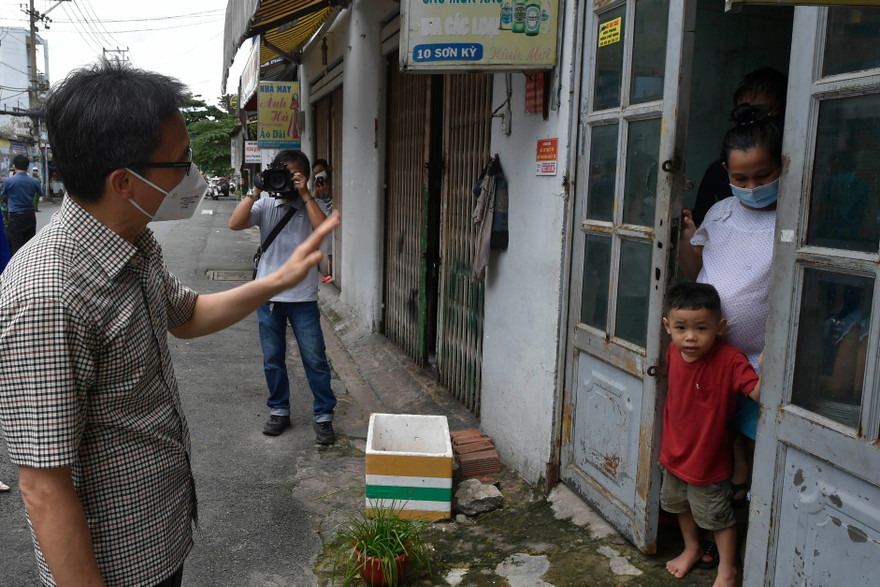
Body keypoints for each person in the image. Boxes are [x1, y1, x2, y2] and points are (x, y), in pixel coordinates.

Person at [0, 61, 338, 586]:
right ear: (124, 181)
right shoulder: (47, 295)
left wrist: (277, 281)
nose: (193, 175)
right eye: (180, 162)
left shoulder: (135, 241)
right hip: (114, 566)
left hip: (161, 532)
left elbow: (187, 314)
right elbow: (43, 487)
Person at [679, 106, 782, 555]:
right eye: (741, 179)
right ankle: (716, 514)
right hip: (710, 354)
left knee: (762, 433)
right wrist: (686, 240)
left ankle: (762, 518)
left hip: (761, 354)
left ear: (783, 166)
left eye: (763, 176)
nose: (752, 188)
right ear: (726, 172)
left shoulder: (793, 218)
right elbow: (696, 270)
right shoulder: (719, 213)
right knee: (715, 434)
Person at [230, 150, 338, 444]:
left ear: (303, 176)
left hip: (303, 297)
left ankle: (324, 415)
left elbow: (322, 228)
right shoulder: (266, 204)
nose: (287, 182)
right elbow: (235, 223)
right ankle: (279, 410)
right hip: (269, 297)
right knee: (273, 359)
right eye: (282, 174)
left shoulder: (310, 206)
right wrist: (255, 188)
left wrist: (306, 194)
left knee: (314, 359)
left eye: (293, 176)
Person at [660, 282, 762, 586]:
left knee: (719, 518)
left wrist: (770, 369)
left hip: (709, 462)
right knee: (681, 507)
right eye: (681, 327)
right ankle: (691, 548)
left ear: (719, 327)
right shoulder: (673, 352)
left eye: (701, 328)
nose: (690, 337)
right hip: (674, 454)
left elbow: (756, 393)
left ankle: (727, 569)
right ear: (668, 327)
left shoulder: (730, 359)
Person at [691, 67, 787, 227]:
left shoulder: (802, 172)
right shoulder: (718, 173)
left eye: (759, 113)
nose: (752, 187)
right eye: (740, 178)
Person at [0, 154, 42, 255]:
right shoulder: (35, 181)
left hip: (15, 217)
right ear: (28, 167)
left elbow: (4, 195)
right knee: (29, 245)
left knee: (16, 246)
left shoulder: (9, 181)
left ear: (14, 166)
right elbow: (40, 193)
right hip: (30, 216)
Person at [312, 158, 334, 283]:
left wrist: (327, 191)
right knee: (329, 249)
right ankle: (331, 274)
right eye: (316, 173)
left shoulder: (334, 181)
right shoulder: (318, 184)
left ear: (328, 169)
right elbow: (314, 202)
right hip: (325, 220)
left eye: (320, 171)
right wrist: (316, 189)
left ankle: (333, 274)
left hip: (336, 217)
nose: (319, 174)